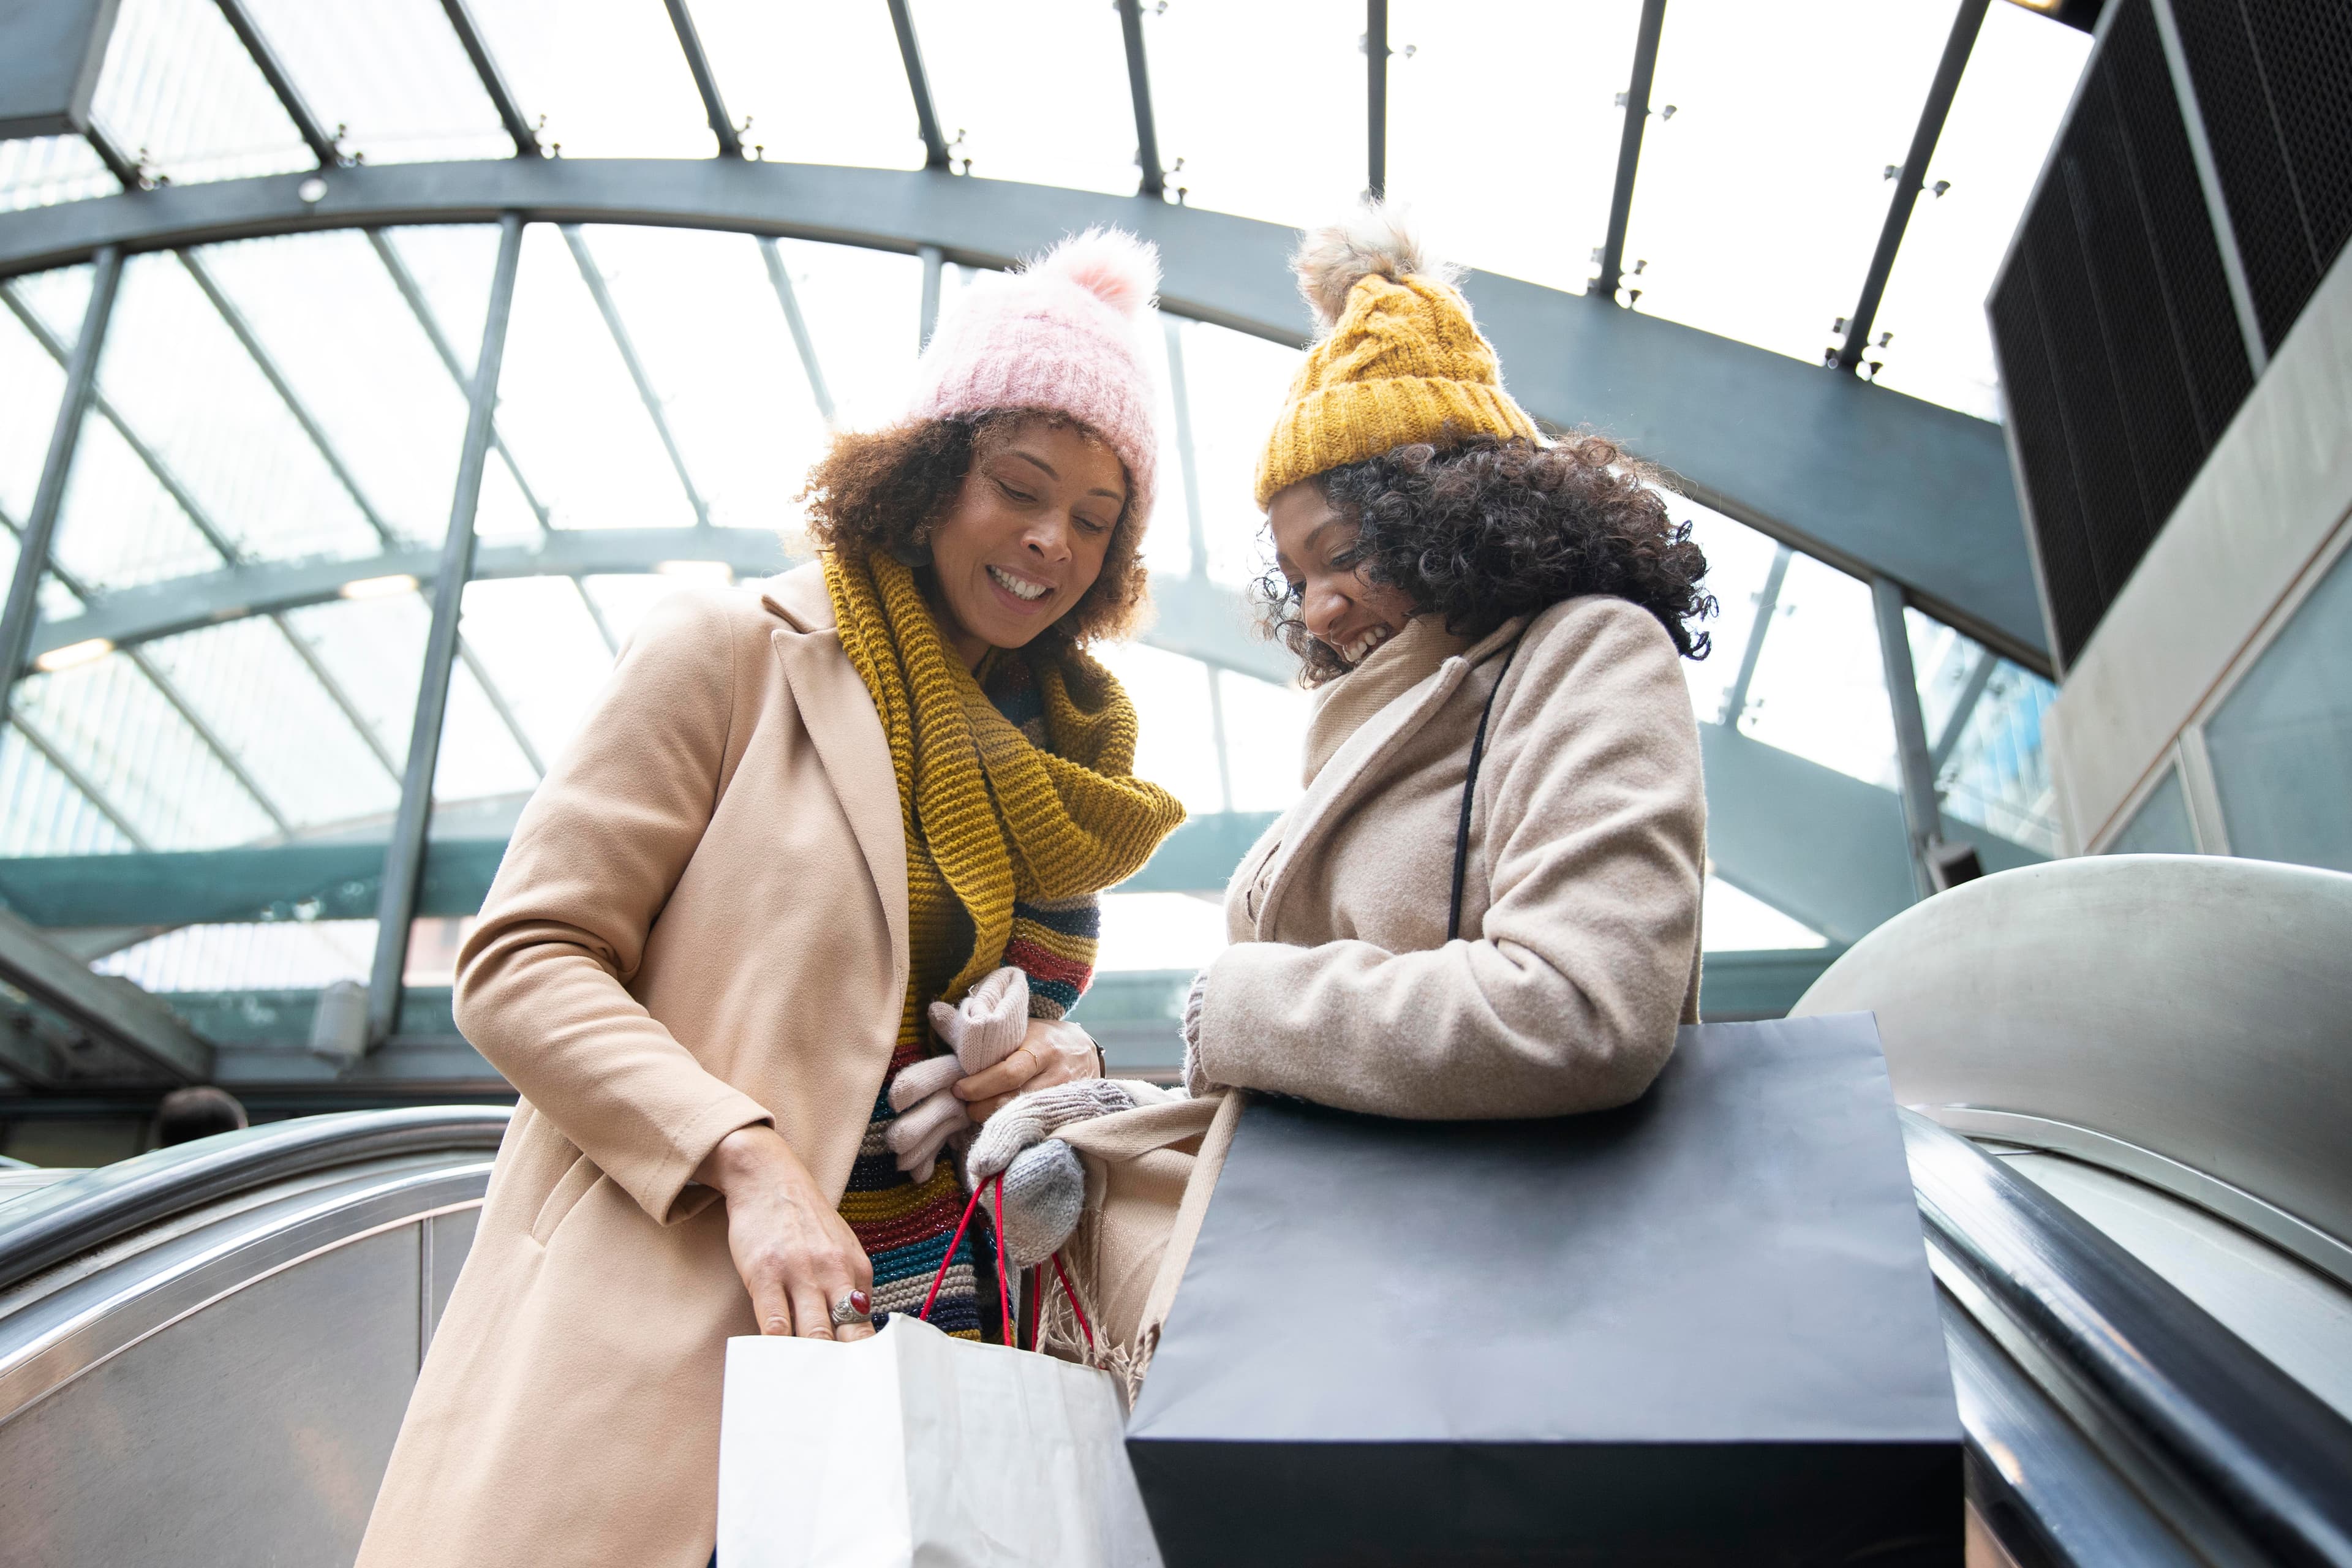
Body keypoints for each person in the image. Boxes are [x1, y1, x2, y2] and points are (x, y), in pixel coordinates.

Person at [355, 229, 1185, 1568]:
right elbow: (522, 957)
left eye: (1097, 520)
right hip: (693, 1319)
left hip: (936, 1355)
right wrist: (746, 1158)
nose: (1052, 539)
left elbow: (972, 1025)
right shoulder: (732, 650)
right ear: (926, 480)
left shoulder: (1063, 761)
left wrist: (1053, 1063)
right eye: (1021, 486)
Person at [980, 206, 1714, 1378]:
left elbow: (1583, 1006)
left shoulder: (1588, 655)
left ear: (1454, 515)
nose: (1316, 608)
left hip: (1486, 1318)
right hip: (1362, 1296)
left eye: (1345, 553)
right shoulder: (1379, 719)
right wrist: (1124, 1114)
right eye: (1296, 575)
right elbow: (1339, 1073)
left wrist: (1242, 1004)